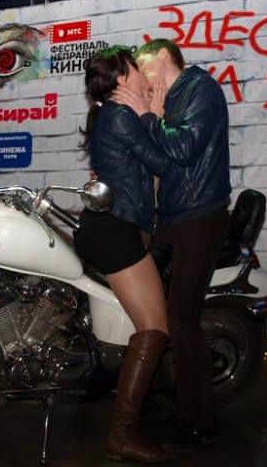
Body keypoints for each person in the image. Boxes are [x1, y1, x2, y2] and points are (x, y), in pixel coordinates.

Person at [112, 38, 232, 448]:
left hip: (201, 216)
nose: (141, 75)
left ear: (163, 55)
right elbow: (160, 156)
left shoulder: (200, 87)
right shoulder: (169, 96)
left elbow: (183, 148)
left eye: (143, 64)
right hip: (173, 217)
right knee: (153, 311)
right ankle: (154, 390)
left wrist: (147, 113)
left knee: (181, 317)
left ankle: (199, 417)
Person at [74, 46, 175, 464]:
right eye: (135, 68)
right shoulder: (120, 114)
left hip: (110, 227)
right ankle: (122, 434)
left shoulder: (113, 114)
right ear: (121, 78)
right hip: (114, 231)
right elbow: (164, 163)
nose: (142, 74)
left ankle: (124, 402)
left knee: (147, 324)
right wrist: (153, 113)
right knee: (154, 328)